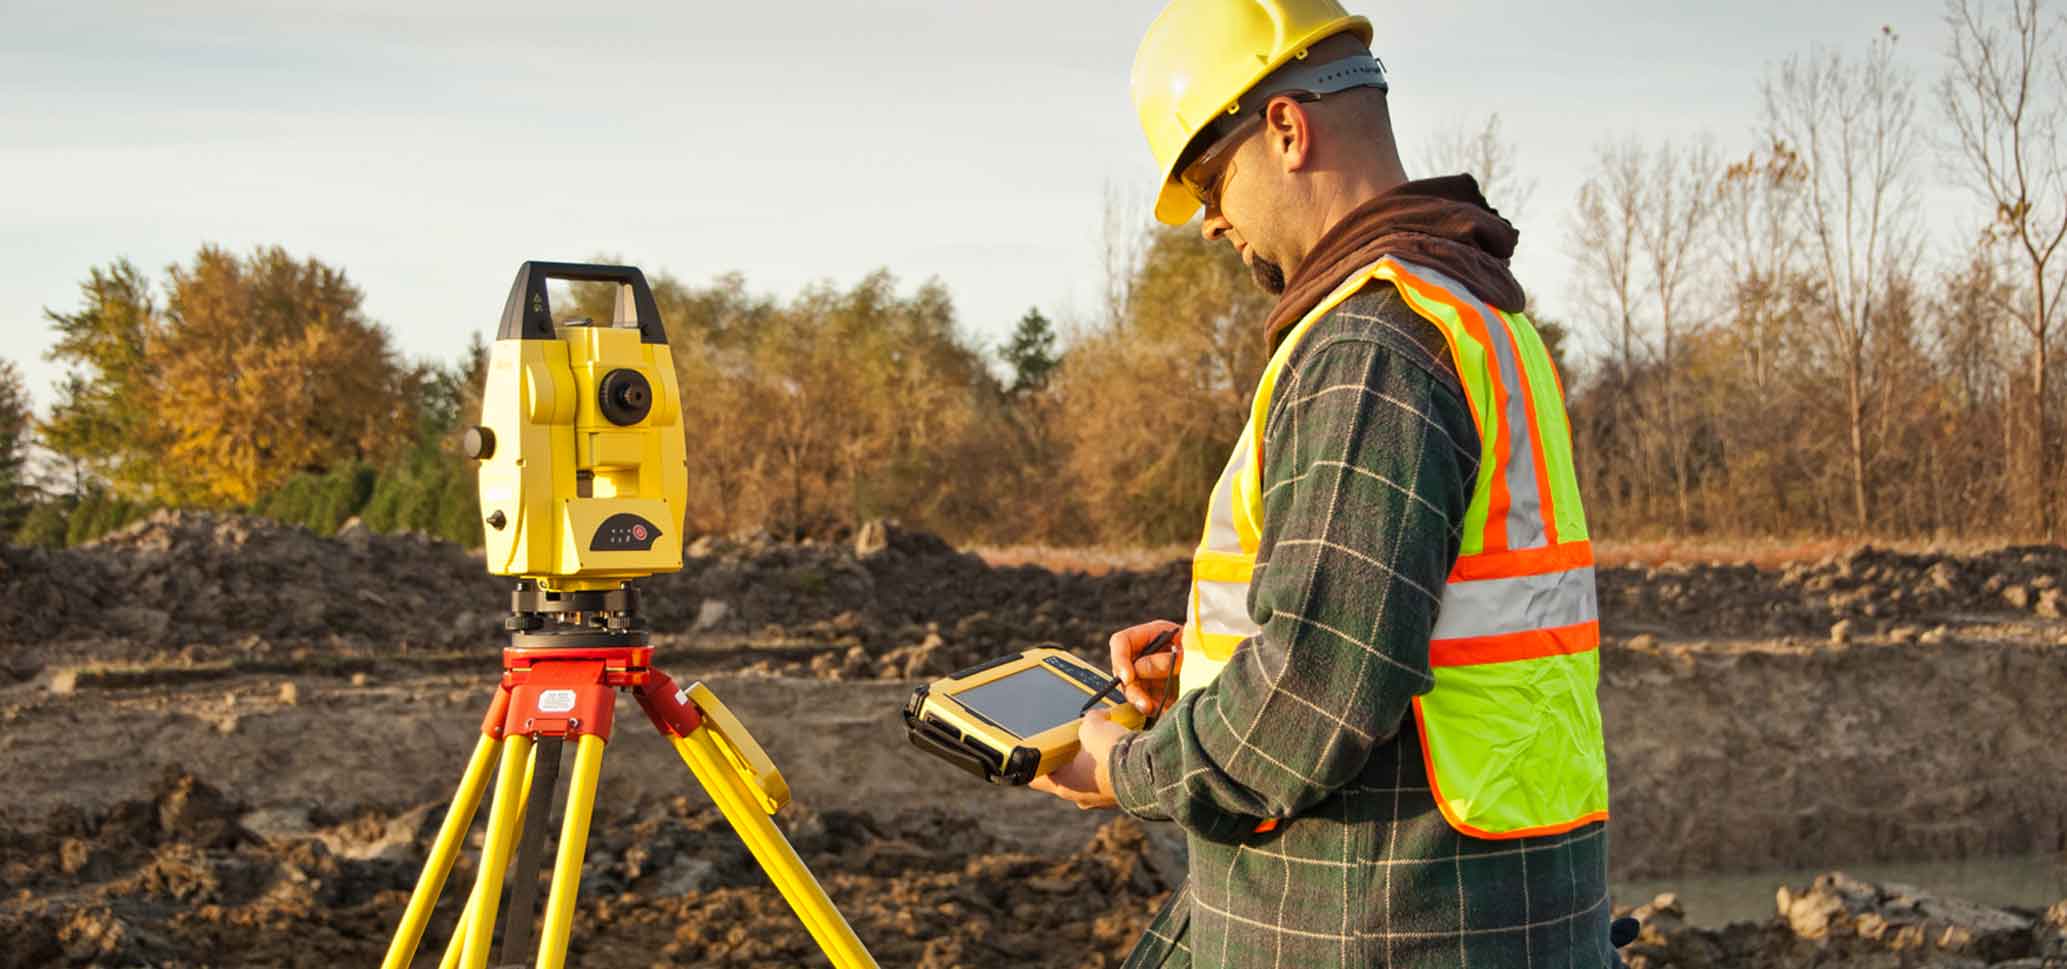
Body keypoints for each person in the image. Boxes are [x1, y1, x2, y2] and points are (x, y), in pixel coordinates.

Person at [1026, 1, 1619, 966]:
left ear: (1286, 129)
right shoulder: (1472, 313)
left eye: (1208, 180)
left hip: (1375, 916)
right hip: (1485, 901)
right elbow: (1401, 623)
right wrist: (1211, 665)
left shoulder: (1369, 346)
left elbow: (1315, 689)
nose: (1210, 222)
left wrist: (1124, 767)